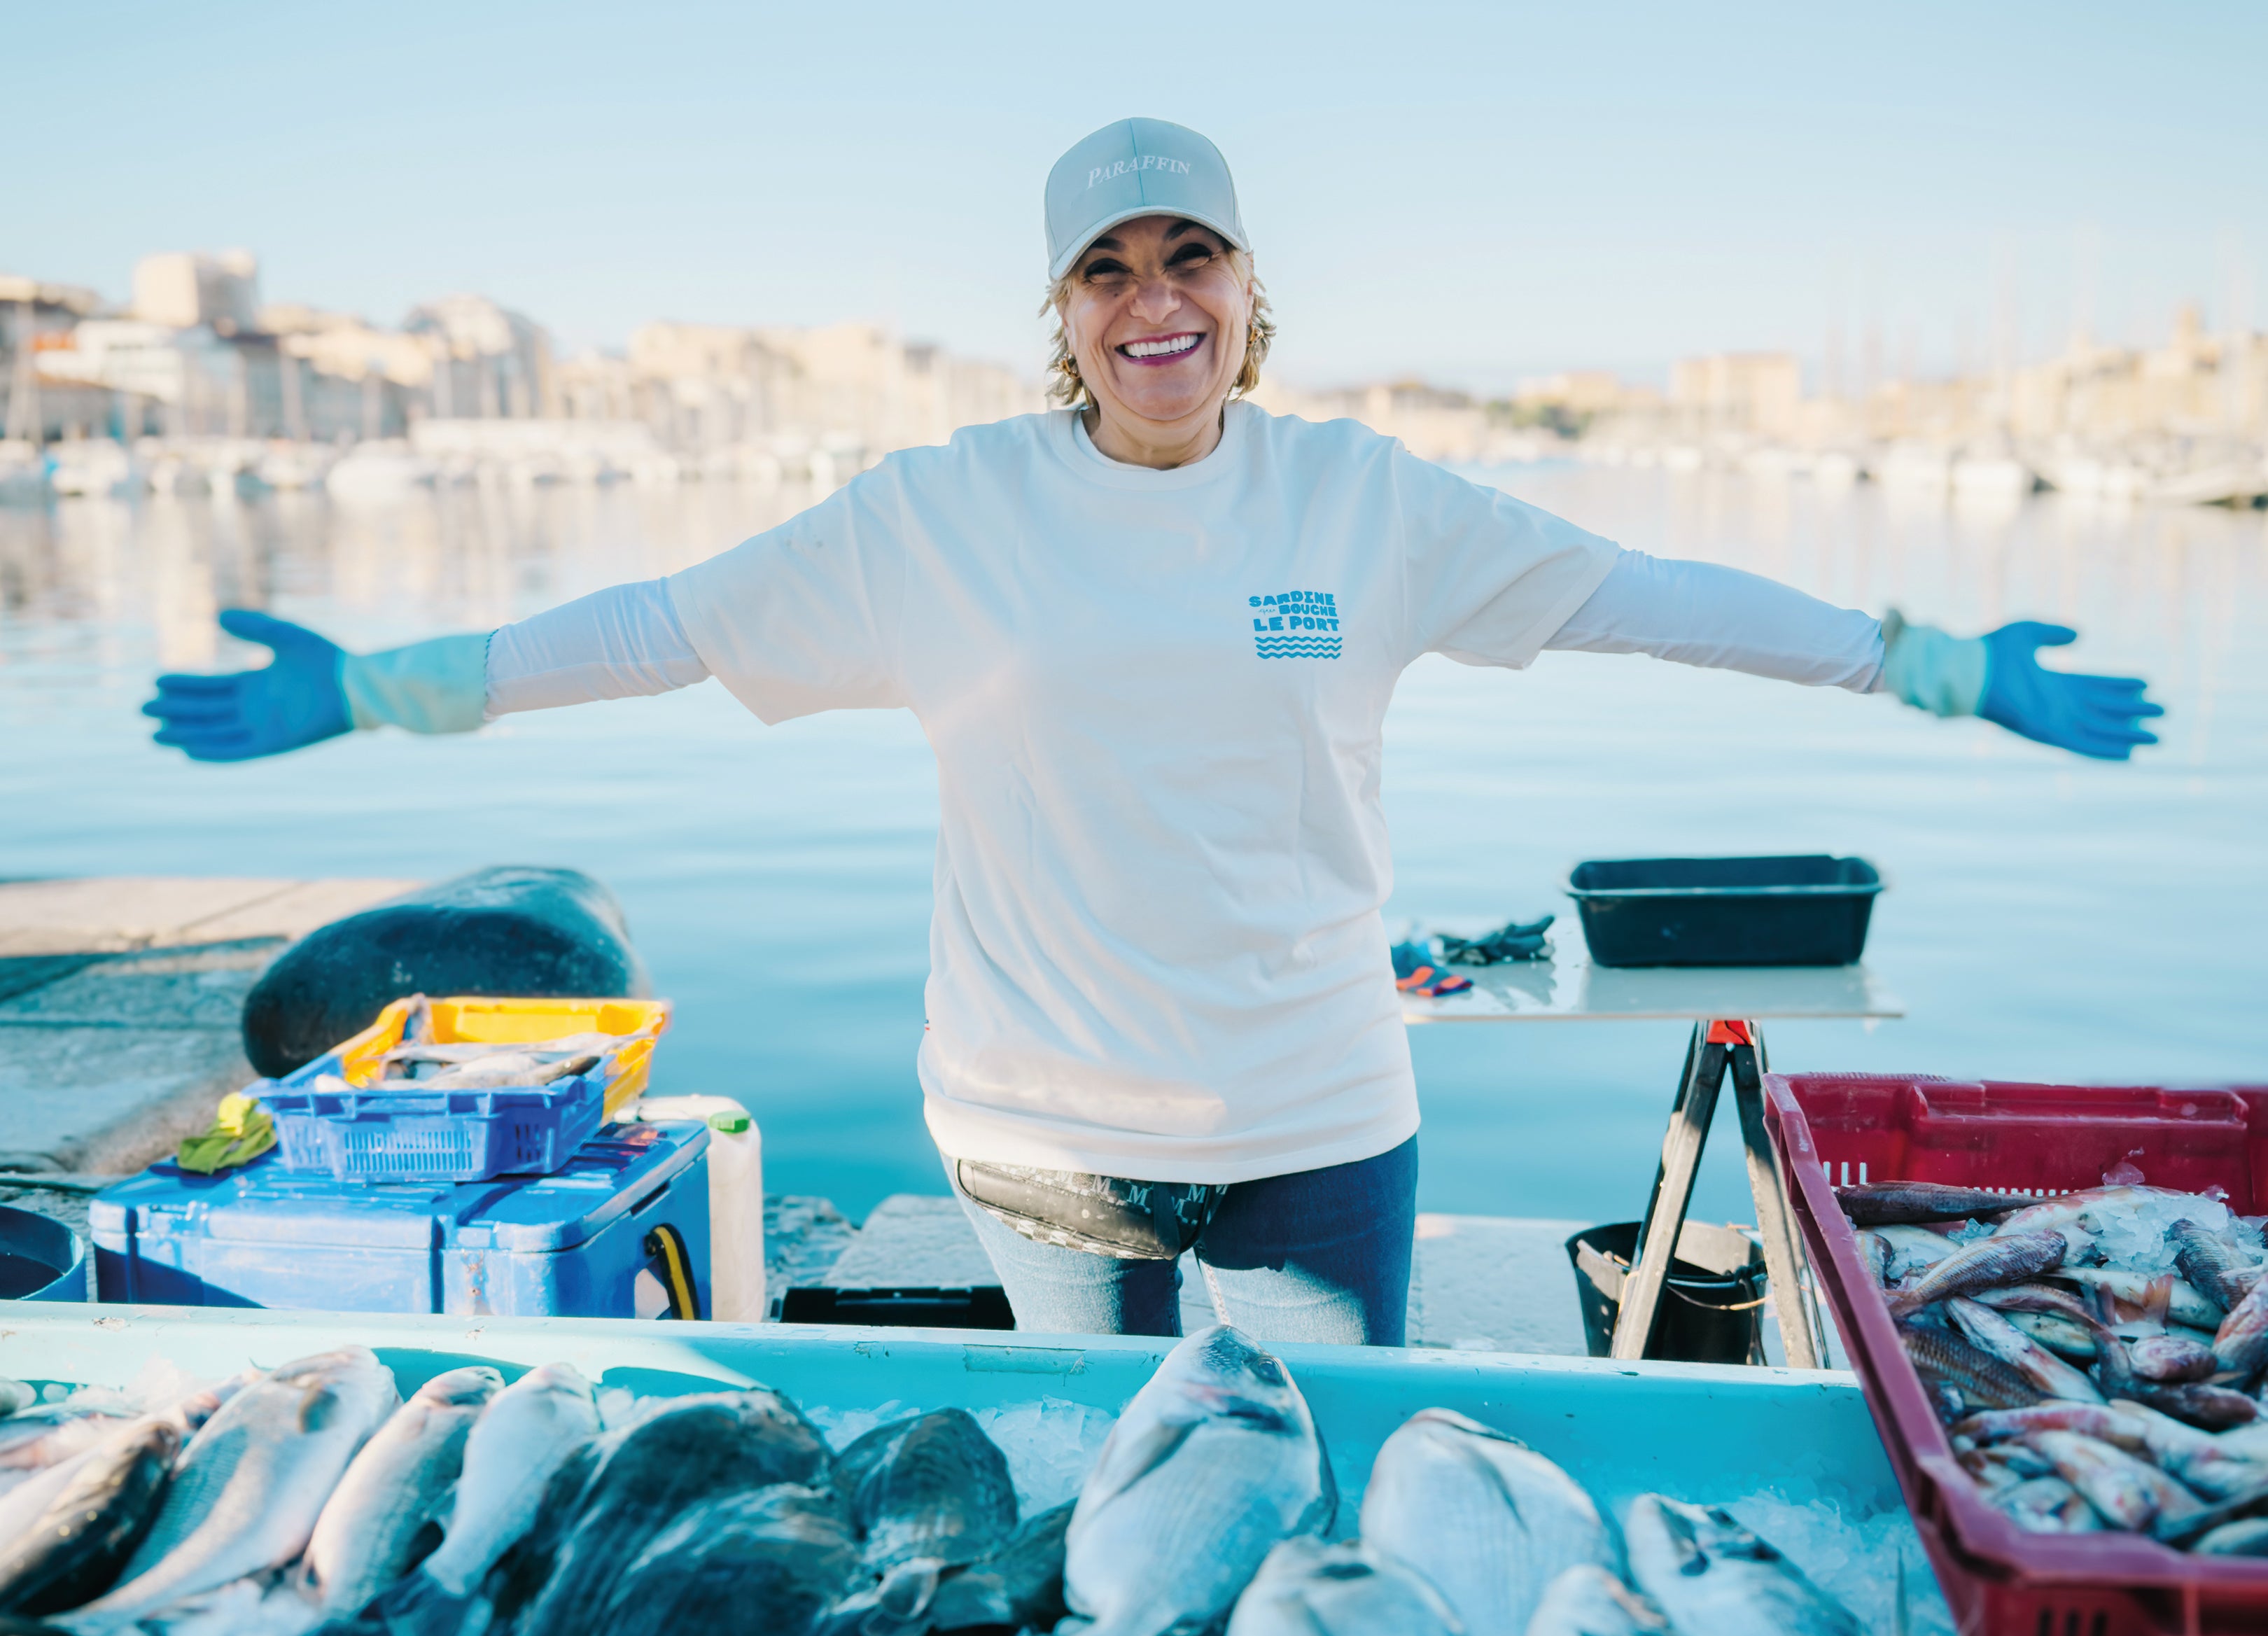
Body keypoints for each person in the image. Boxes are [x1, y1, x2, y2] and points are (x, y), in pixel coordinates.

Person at [142, 118, 2162, 1345]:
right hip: (1041, 1144)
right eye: (1106, 269)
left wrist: (1929, 661)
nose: (1152, 299)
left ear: (1248, 287)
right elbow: (668, 627)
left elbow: (1652, 598)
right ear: (1063, 311)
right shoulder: (938, 514)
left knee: (1313, 1499)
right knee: (1122, 1516)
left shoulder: (1372, 502)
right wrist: (389, 689)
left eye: (1188, 254)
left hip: (1317, 1124)